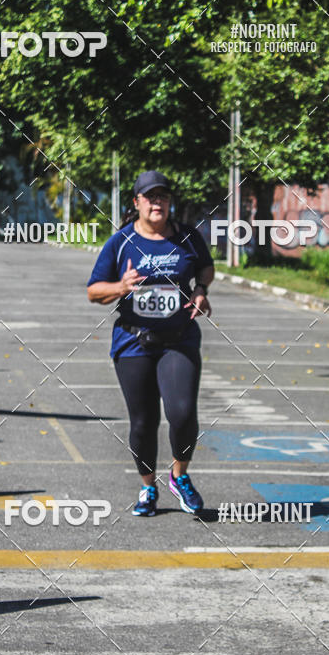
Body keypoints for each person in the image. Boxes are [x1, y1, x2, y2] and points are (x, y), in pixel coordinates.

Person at [87, 170, 214, 516]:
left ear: (169, 202)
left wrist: (201, 289)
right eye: (150, 197)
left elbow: (205, 268)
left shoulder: (187, 237)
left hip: (179, 340)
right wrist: (120, 287)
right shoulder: (121, 242)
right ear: (137, 202)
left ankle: (179, 476)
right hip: (134, 342)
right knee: (143, 422)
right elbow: (94, 291)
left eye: (163, 196)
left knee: (182, 413)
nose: (157, 202)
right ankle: (147, 488)